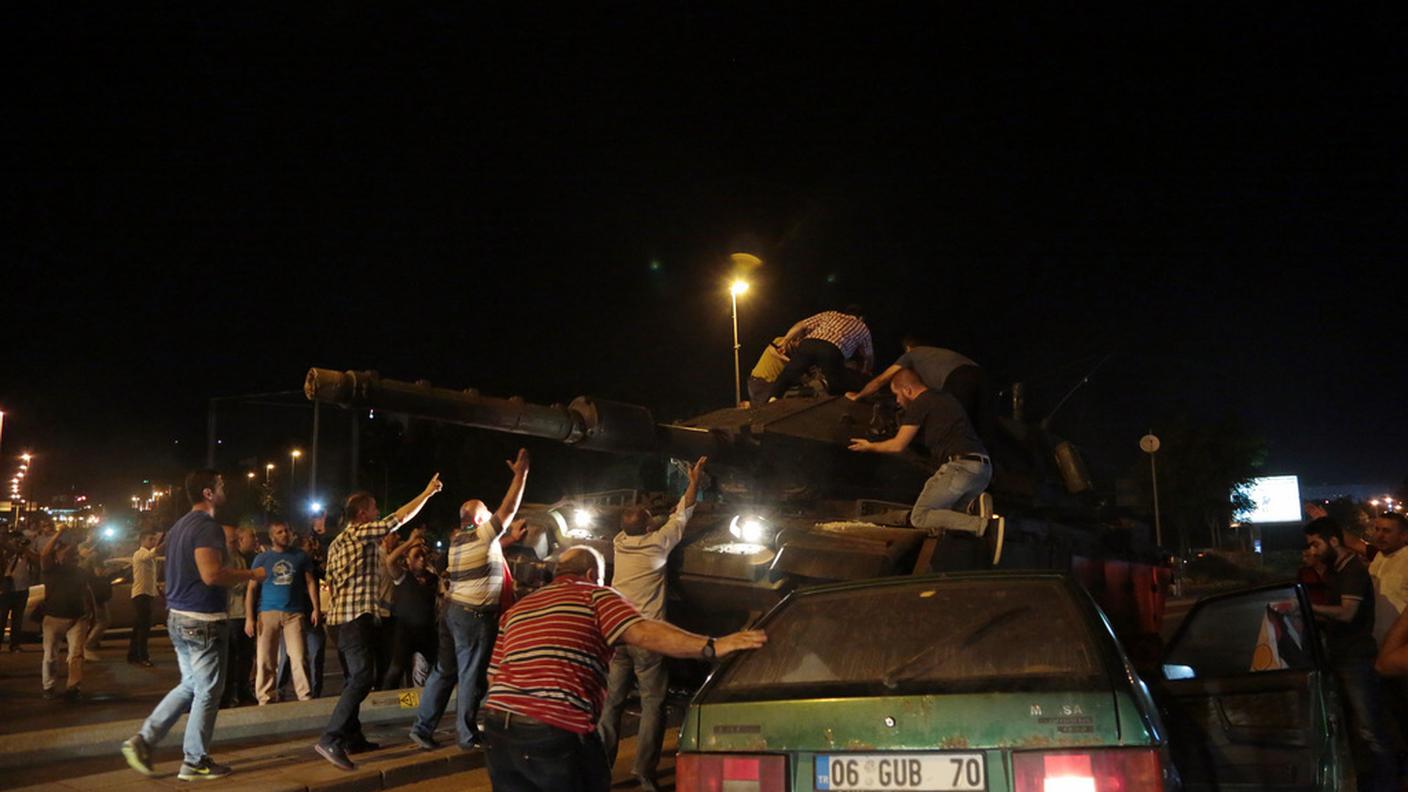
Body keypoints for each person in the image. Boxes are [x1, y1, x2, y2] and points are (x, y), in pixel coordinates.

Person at [482, 546, 767, 792]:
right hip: (553, 727)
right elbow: (643, 632)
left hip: (498, 727)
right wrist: (712, 646)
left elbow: (494, 676)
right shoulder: (595, 596)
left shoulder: (519, 609)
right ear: (593, 575)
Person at [121, 469, 267, 781]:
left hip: (180, 617)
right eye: (219, 484)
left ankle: (144, 740)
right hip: (202, 621)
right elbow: (212, 575)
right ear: (208, 493)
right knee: (208, 691)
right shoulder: (206, 526)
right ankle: (195, 760)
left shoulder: (178, 527)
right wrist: (251, 575)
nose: (223, 486)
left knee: (191, 685)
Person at [315, 474, 443, 771]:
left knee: (353, 679)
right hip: (353, 619)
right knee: (362, 678)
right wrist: (426, 492)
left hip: (338, 619)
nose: (377, 513)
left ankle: (352, 737)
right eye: (373, 509)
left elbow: (333, 583)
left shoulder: (336, 543)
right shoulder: (360, 533)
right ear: (362, 515)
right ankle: (331, 738)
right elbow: (396, 519)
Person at [598, 456, 707, 792]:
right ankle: (644, 772)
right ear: (648, 528)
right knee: (652, 703)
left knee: (612, 702)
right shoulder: (660, 542)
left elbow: (645, 521)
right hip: (648, 637)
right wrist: (694, 480)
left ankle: (600, 768)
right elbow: (683, 512)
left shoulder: (619, 541)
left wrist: (649, 517)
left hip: (617, 636)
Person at [409, 449, 529, 752]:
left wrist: (510, 540)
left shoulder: (459, 541)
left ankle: (421, 729)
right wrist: (520, 475)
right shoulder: (480, 535)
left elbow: (490, 545)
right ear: (478, 519)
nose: (491, 518)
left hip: (452, 612)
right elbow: (509, 508)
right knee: (470, 675)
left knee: (443, 671)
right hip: (474, 617)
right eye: (486, 515)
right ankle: (466, 735)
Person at [848, 369, 1003, 562]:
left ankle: (985, 526)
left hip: (960, 466)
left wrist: (870, 446)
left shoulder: (921, 403)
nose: (897, 401)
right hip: (982, 469)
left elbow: (898, 445)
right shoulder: (945, 399)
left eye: (897, 394)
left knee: (920, 516)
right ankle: (974, 516)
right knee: (949, 519)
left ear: (908, 389)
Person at [1304, 516, 1398, 791]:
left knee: (1370, 728)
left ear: (1334, 541)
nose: (1312, 551)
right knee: (1354, 728)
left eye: (1315, 545)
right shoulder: (1336, 570)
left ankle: (1387, 782)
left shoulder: (1353, 571)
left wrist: (1309, 608)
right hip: (1341, 656)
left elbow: (1347, 613)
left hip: (1357, 659)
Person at [846, 335, 992, 437]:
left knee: (951, 424)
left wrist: (858, 396)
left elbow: (881, 380)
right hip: (982, 375)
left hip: (958, 378)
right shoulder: (937, 356)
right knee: (981, 427)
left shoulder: (912, 354)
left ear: (908, 348)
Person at [247, 521, 320, 704]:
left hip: (294, 613)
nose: (285, 535)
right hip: (268, 611)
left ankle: (304, 695)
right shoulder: (263, 558)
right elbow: (252, 589)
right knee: (266, 658)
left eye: (287, 531)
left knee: (299, 656)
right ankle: (265, 697)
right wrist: (250, 618)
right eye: (280, 532)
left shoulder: (300, 556)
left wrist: (316, 608)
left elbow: (311, 582)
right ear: (272, 536)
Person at [761, 307, 874, 403]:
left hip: (808, 343)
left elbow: (801, 325)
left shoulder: (831, 314)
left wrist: (786, 340)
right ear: (861, 318)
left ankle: (773, 397)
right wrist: (865, 371)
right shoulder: (862, 327)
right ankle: (836, 401)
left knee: (789, 372)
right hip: (832, 349)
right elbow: (868, 356)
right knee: (836, 381)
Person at [39, 525, 93, 700]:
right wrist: (59, 534)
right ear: (58, 556)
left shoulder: (80, 571)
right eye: (66, 553)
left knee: (76, 655)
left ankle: (73, 687)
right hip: (54, 617)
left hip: (77, 617)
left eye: (73, 554)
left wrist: (90, 612)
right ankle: (49, 685)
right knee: (50, 656)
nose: (71, 556)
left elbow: (85, 591)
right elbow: (44, 554)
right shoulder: (51, 569)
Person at [381, 536, 438, 689]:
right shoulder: (403, 576)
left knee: (439, 667)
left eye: (423, 555)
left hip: (427, 632)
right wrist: (409, 542)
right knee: (396, 670)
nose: (421, 559)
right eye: (416, 556)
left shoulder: (432, 578)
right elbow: (390, 561)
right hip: (405, 632)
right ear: (407, 560)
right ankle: (382, 705)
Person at [220, 526, 258, 708]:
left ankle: (242, 691)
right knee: (231, 657)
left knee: (245, 656)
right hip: (231, 614)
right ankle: (228, 693)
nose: (236, 543)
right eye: (232, 540)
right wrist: (249, 578)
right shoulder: (222, 559)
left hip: (242, 613)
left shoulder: (240, 558)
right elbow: (228, 584)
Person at [127, 529, 165, 666]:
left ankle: (133, 655)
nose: (153, 542)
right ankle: (143, 656)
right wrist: (162, 541)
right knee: (144, 627)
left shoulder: (147, 556)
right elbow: (153, 553)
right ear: (142, 541)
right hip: (141, 594)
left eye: (154, 539)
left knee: (139, 627)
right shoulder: (139, 554)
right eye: (150, 539)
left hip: (146, 594)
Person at [1, 531, 39, 652]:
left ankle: (15, 644)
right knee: (1, 618)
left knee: (18, 619)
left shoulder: (26, 553)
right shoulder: (6, 552)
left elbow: (38, 561)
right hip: (6, 590)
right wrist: (13, 550)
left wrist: (25, 550)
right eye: (15, 540)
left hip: (22, 589)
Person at [743, 337, 790, 407]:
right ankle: (748, 406)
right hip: (762, 380)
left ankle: (749, 405)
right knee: (764, 408)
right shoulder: (782, 341)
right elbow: (771, 349)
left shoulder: (796, 353)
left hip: (768, 382)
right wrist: (788, 360)